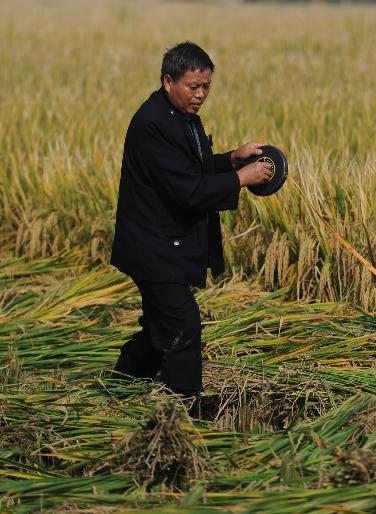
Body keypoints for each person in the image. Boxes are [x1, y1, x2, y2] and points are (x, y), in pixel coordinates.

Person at [110, 42, 272, 401]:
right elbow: (188, 191)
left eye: (206, 87)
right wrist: (242, 178)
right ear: (168, 81)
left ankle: (117, 386)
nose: (200, 95)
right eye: (193, 87)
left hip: (164, 245)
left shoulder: (182, 118)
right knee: (183, 323)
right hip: (153, 248)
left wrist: (231, 159)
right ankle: (186, 411)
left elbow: (191, 170)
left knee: (159, 329)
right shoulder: (152, 124)